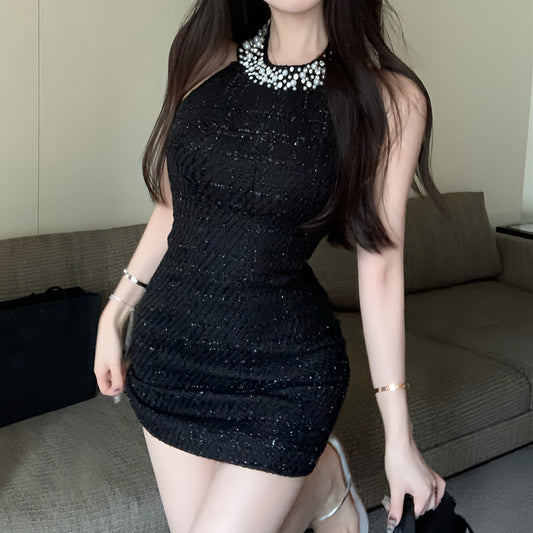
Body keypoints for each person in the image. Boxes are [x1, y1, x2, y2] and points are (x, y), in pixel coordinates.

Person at [94, 1, 448, 532]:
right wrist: (115, 311)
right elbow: (173, 208)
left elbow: (380, 266)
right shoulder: (206, 60)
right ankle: (322, 485)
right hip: (169, 358)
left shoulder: (390, 100)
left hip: (282, 375)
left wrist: (400, 439)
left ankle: (324, 482)